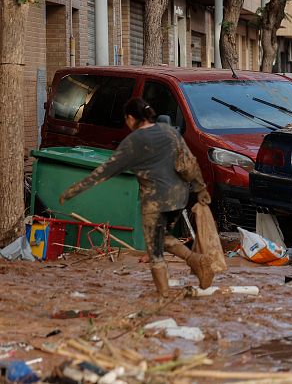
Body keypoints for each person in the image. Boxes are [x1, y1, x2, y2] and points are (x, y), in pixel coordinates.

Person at [60, 98, 214, 298]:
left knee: (155, 249)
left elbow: (104, 171)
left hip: (155, 202)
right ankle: (195, 260)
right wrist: (201, 189)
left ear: (131, 118)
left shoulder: (133, 142)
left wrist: (73, 190)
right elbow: (189, 163)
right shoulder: (169, 131)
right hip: (179, 197)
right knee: (162, 238)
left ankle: (164, 294)